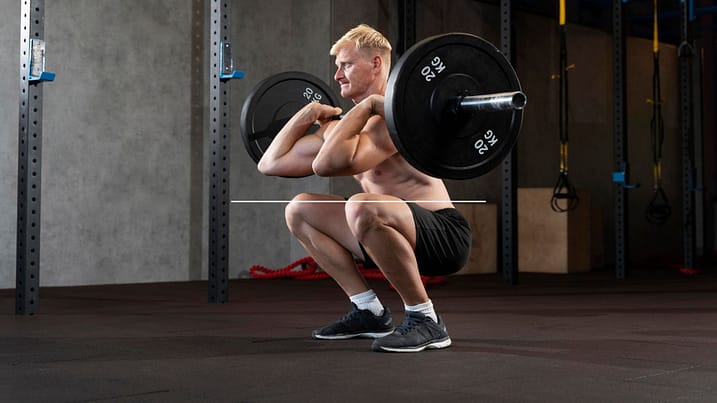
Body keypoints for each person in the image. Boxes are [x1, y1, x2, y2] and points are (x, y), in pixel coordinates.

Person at [257, 24, 471, 353]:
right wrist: (308, 113)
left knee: (362, 203)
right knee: (300, 209)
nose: (338, 74)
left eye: (347, 64)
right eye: (337, 66)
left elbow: (333, 164)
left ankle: (425, 318)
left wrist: (370, 106)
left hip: (442, 235)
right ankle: (368, 310)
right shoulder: (349, 124)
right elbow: (270, 164)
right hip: (382, 229)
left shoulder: (396, 117)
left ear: (376, 64)